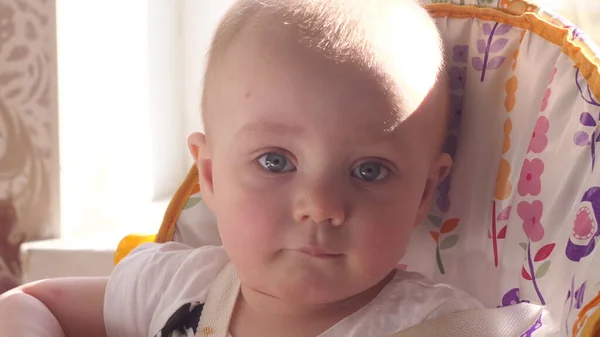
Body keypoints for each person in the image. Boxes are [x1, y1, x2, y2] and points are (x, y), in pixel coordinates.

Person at [0, 0, 483, 336]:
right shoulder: (174, 287)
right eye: (276, 162)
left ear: (423, 192)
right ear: (209, 174)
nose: (320, 207)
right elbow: (32, 302)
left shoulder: (444, 327)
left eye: (369, 171)